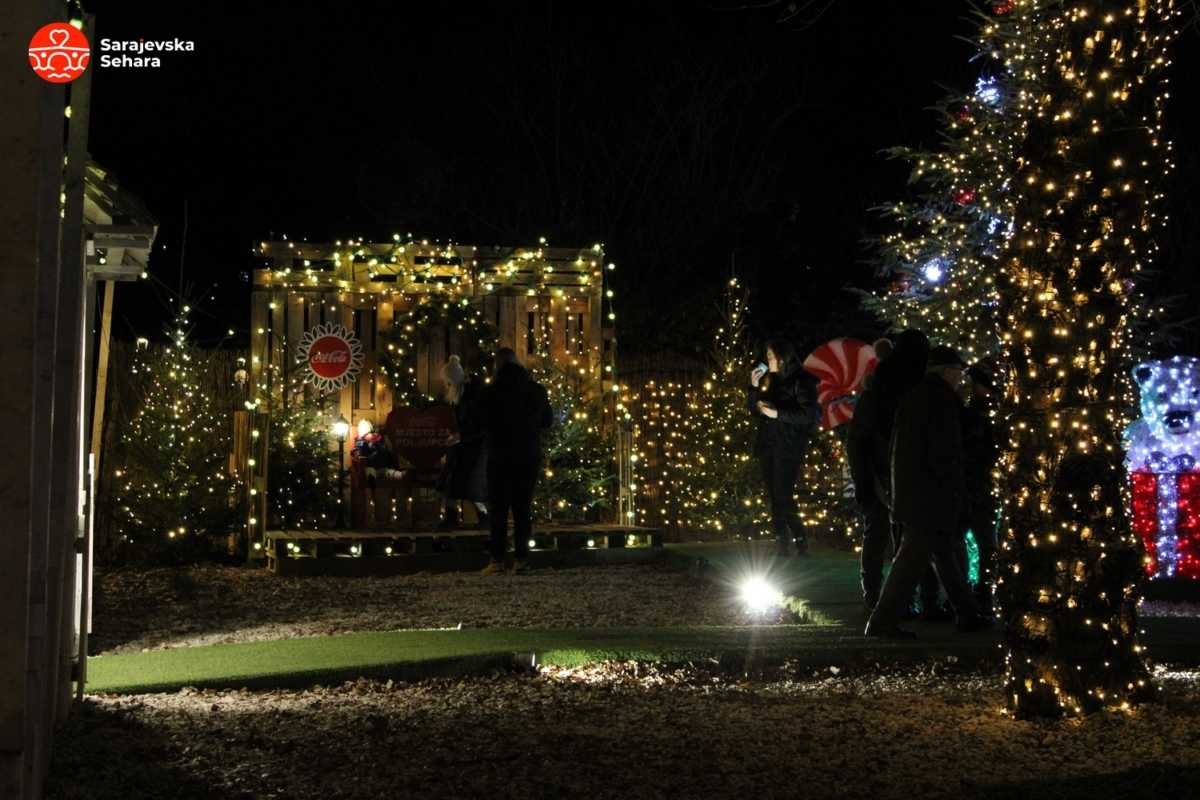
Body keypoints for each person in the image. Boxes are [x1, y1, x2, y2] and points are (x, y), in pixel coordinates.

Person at [864, 345, 991, 639]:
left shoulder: (921, 396)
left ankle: (967, 613)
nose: (962, 378)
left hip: (916, 494)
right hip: (929, 497)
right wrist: (954, 492)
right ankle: (882, 620)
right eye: (959, 372)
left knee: (943, 555)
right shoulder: (940, 400)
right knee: (911, 559)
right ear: (947, 372)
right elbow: (946, 453)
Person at [847, 330, 933, 609]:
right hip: (892, 472)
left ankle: (880, 596)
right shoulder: (914, 388)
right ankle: (898, 599)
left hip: (880, 471)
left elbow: (859, 439)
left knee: (882, 533)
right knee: (898, 534)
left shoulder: (882, 388)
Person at [479, 348, 553, 575]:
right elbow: (548, 421)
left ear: (497, 366)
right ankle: (521, 559)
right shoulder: (536, 390)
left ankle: (497, 560)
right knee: (523, 508)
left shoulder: (491, 392)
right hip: (528, 455)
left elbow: (481, 421)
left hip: (500, 456)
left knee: (498, 509)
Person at [748, 339, 819, 556]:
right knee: (773, 494)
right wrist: (753, 388)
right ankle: (782, 541)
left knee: (783, 494)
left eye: (770, 357)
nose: (767, 361)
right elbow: (753, 410)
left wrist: (778, 413)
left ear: (782, 357)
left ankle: (799, 539)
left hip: (788, 446)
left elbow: (808, 415)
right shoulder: (771, 380)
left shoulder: (802, 380)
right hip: (769, 443)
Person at [959, 361, 1000, 618]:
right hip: (977, 488)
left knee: (974, 544)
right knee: (984, 544)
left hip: (972, 487)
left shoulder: (967, 414)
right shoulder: (979, 416)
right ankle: (979, 595)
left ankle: (975, 594)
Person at [436, 355, 489, 531]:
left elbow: (479, 425)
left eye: (448, 383)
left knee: (470, 485)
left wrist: (461, 435)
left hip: (475, 447)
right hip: (463, 446)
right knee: (453, 483)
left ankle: (483, 517)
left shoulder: (472, 397)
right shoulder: (462, 396)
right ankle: (452, 517)